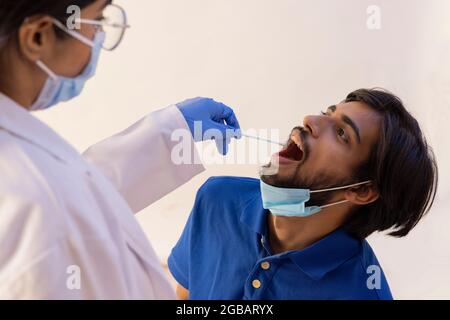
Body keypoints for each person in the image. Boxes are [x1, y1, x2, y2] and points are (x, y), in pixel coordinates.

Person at [0, 0, 241, 298]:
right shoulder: (32, 203)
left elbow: (76, 193)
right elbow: (57, 205)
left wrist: (169, 130)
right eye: (97, 20)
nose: (100, 35)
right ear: (38, 36)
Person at [169, 88, 438, 300]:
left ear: (362, 190)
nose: (310, 120)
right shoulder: (217, 200)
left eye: (342, 133)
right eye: (327, 113)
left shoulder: (361, 292)